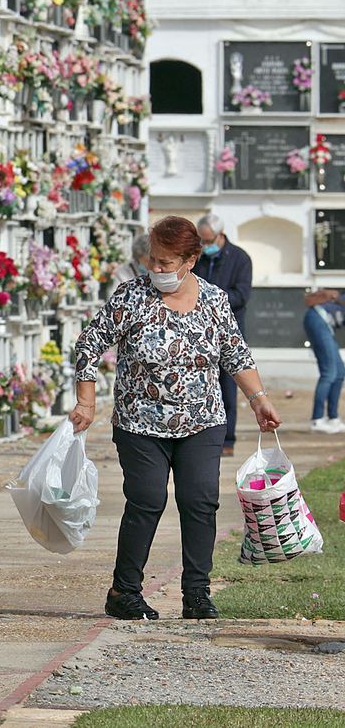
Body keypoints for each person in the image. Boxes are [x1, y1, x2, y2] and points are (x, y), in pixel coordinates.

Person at [71, 215, 281, 622]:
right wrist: (86, 400)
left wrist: (259, 400)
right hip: (140, 423)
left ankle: (196, 594)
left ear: (192, 259)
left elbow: (236, 356)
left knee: (200, 502)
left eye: (167, 262)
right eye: (154, 260)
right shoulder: (131, 297)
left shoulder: (215, 300)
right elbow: (89, 344)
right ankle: (125, 591)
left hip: (202, 420)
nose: (158, 269)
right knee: (147, 500)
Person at [192, 213, 252, 456]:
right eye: (201, 241)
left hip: (229, 331)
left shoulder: (239, 258)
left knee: (228, 387)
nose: (205, 246)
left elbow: (241, 295)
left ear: (220, 235)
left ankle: (228, 439)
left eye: (208, 241)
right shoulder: (197, 259)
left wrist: (212, 298)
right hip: (199, 331)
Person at [299, 289, 345, 433]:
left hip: (323, 324)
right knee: (329, 373)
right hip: (318, 320)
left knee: (339, 372)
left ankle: (333, 418)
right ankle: (317, 420)